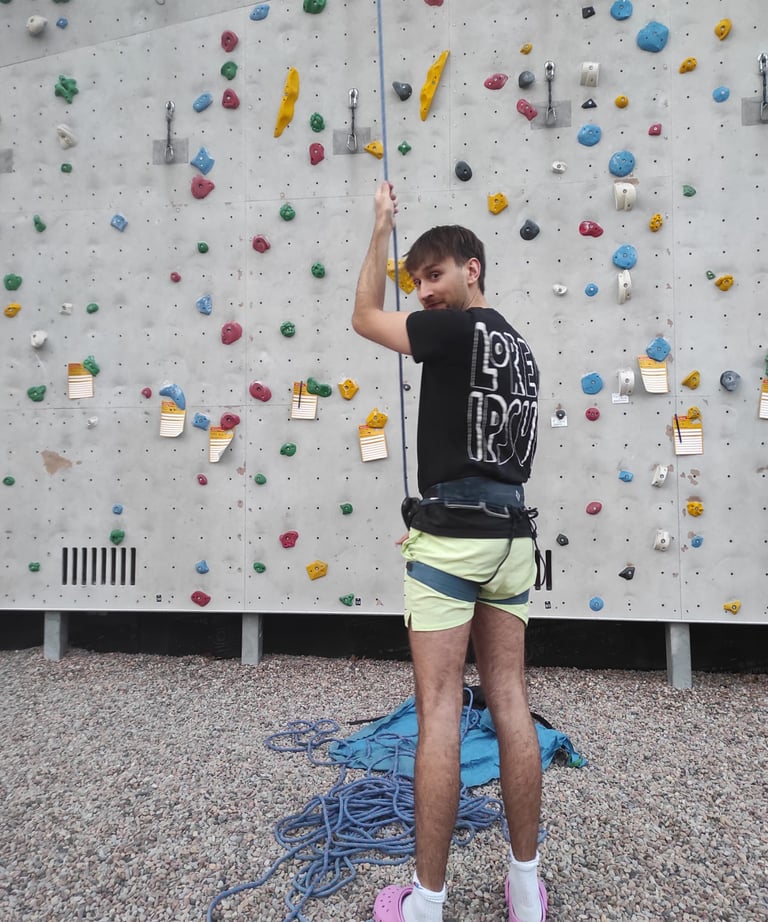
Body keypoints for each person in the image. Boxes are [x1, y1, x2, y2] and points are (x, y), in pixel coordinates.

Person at [352, 181, 546, 922]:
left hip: (455, 545)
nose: (425, 291)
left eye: (435, 274)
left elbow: (364, 317)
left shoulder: (453, 332)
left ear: (473, 268)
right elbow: (490, 453)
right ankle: (526, 890)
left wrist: (379, 230)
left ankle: (426, 903)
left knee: (437, 708)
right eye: (418, 280)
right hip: (508, 539)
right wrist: (435, 511)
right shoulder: (517, 348)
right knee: (511, 701)